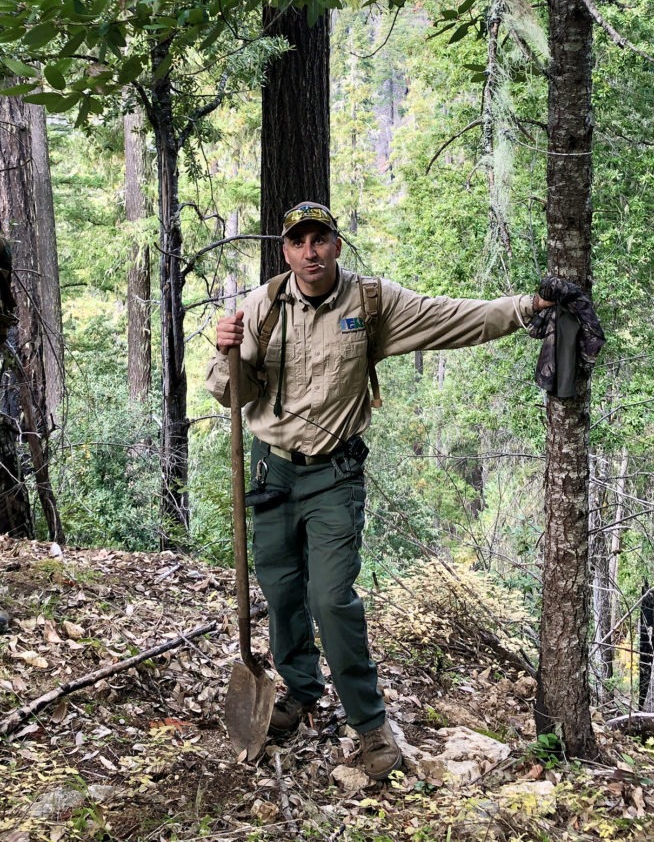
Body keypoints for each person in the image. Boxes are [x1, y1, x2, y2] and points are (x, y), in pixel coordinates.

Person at [207, 201, 553, 780]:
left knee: (330, 598)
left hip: (334, 476)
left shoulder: (371, 302)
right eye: (299, 243)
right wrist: (227, 351)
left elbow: (453, 318)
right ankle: (298, 689)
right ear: (286, 251)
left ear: (337, 245)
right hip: (271, 471)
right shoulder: (260, 306)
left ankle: (369, 724)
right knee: (282, 589)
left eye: (320, 240)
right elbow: (227, 394)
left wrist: (530, 307)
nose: (310, 252)